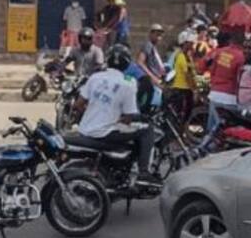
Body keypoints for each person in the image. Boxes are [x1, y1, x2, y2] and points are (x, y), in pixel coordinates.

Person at [72, 44, 158, 186]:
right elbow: (129, 117)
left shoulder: (95, 77)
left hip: (85, 129)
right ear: (127, 64)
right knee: (147, 129)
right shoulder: (129, 83)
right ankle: (143, 173)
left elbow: (78, 105)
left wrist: (93, 114)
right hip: (105, 133)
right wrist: (119, 118)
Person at [204, 30, 246, 109]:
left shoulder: (219, 52)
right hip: (229, 97)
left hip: (214, 94)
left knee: (213, 121)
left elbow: (211, 69)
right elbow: (239, 78)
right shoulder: (241, 56)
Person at [169, 32, 198, 121]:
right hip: (182, 89)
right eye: (190, 42)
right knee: (181, 114)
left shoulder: (187, 56)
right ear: (185, 43)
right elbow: (187, 75)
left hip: (187, 88)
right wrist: (194, 89)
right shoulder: (181, 56)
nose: (192, 44)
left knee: (186, 114)